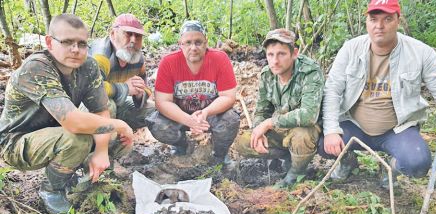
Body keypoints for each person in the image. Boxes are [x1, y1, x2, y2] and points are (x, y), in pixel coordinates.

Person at [318, 0, 436, 187]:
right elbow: (333, 90)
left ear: (398, 19)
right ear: (367, 22)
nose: (379, 26)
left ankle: (392, 167)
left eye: (387, 19)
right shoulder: (351, 48)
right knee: (323, 142)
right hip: (354, 125)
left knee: (417, 164)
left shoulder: (421, 52)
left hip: (397, 129)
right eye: (373, 19)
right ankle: (347, 159)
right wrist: (331, 131)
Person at [0, 14, 134, 214]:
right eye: (67, 42)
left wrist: (102, 150)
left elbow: (100, 110)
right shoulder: (37, 67)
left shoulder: (88, 66)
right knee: (79, 137)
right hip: (16, 141)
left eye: (81, 43)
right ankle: (51, 189)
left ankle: (86, 173)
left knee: (111, 121)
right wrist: (121, 125)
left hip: (56, 130)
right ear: (49, 42)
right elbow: (73, 122)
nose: (75, 49)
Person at [236, 29, 324, 187]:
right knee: (244, 142)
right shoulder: (267, 74)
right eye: (270, 55)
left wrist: (269, 123)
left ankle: (296, 174)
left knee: (301, 136)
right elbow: (262, 110)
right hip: (281, 127)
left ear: (294, 53)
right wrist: (259, 129)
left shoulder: (309, 71)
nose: (275, 61)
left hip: (307, 128)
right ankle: (289, 157)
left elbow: (309, 115)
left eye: (281, 54)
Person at [146, 20, 239, 166]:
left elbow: (228, 97)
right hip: (179, 115)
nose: (193, 47)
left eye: (198, 42)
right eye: (188, 42)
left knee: (231, 120)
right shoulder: (168, 62)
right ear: (180, 44)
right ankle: (181, 145)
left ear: (206, 42)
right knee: (157, 124)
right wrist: (187, 119)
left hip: (210, 115)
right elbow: (162, 102)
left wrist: (206, 112)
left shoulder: (220, 59)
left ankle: (219, 154)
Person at [89, 13, 155, 130]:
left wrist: (140, 93)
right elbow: (93, 90)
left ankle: (119, 133)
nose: (133, 40)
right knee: (108, 105)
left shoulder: (137, 58)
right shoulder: (101, 55)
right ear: (113, 34)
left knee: (154, 110)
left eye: (138, 36)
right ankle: (105, 144)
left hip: (118, 103)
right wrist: (125, 88)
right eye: (128, 34)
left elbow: (146, 88)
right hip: (89, 108)